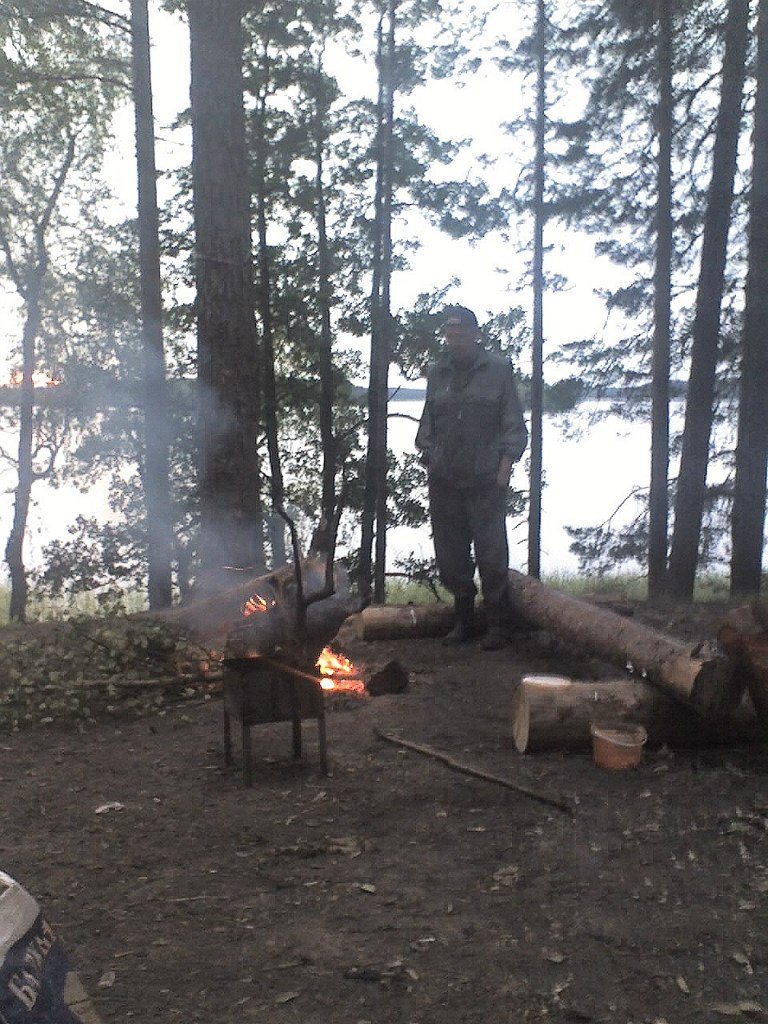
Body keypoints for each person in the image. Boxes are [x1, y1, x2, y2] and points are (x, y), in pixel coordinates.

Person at [415, 304, 528, 650]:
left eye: (461, 332)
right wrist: (430, 456)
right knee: (450, 554)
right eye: (449, 333)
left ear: (475, 334)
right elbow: (428, 423)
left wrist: (504, 467)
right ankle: (464, 621)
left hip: (485, 479)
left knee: (491, 555)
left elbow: (513, 423)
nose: (454, 338)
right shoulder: (438, 372)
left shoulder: (498, 370)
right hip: (445, 478)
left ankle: (499, 625)